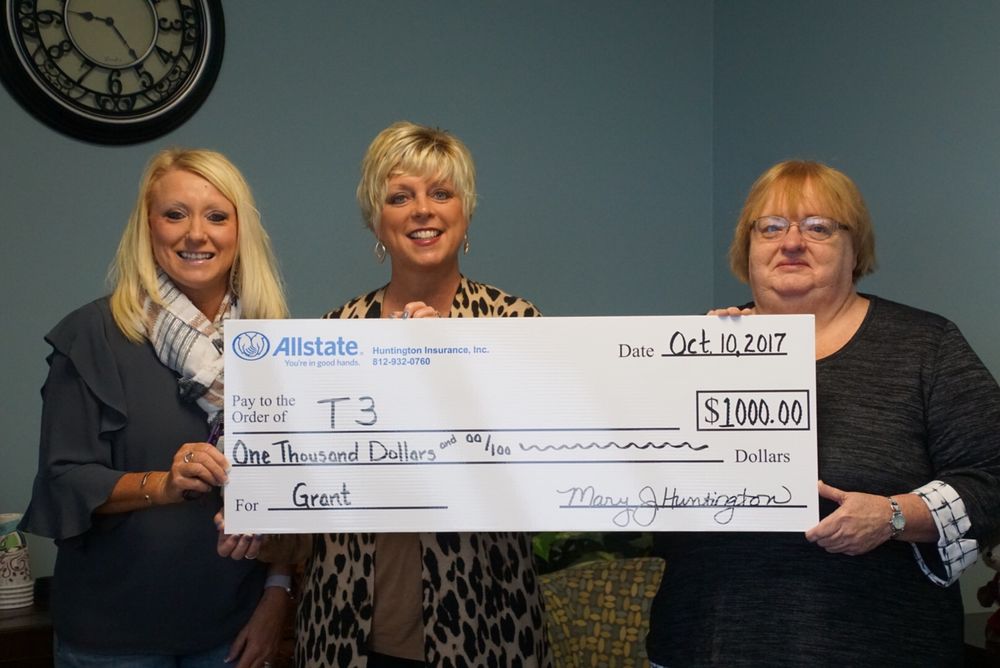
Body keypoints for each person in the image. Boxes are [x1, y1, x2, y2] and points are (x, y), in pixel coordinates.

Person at [645, 159, 1000, 667]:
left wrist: (895, 516)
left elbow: (993, 477)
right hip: (704, 643)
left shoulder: (925, 346)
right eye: (770, 227)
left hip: (878, 647)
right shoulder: (696, 350)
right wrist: (695, 372)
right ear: (748, 248)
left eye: (818, 227)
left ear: (855, 249)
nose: (791, 242)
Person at [20, 148, 294, 667]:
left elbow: (292, 487)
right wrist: (163, 486)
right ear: (147, 227)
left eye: (217, 216)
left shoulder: (269, 344)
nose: (197, 234)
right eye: (175, 214)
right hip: (112, 636)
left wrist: (276, 597)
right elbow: (63, 481)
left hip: (233, 627)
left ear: (240, 231)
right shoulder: (92, 335)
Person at [296, 121, 549, 667]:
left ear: (466, 212)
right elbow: (307, 470)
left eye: (441, 193)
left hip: (484, 623)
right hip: (347, 625)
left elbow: (539, 473)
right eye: (400, 197)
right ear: (376, 220)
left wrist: (447, 366)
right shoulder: (334, 333)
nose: (422, 210)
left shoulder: (515, 323)